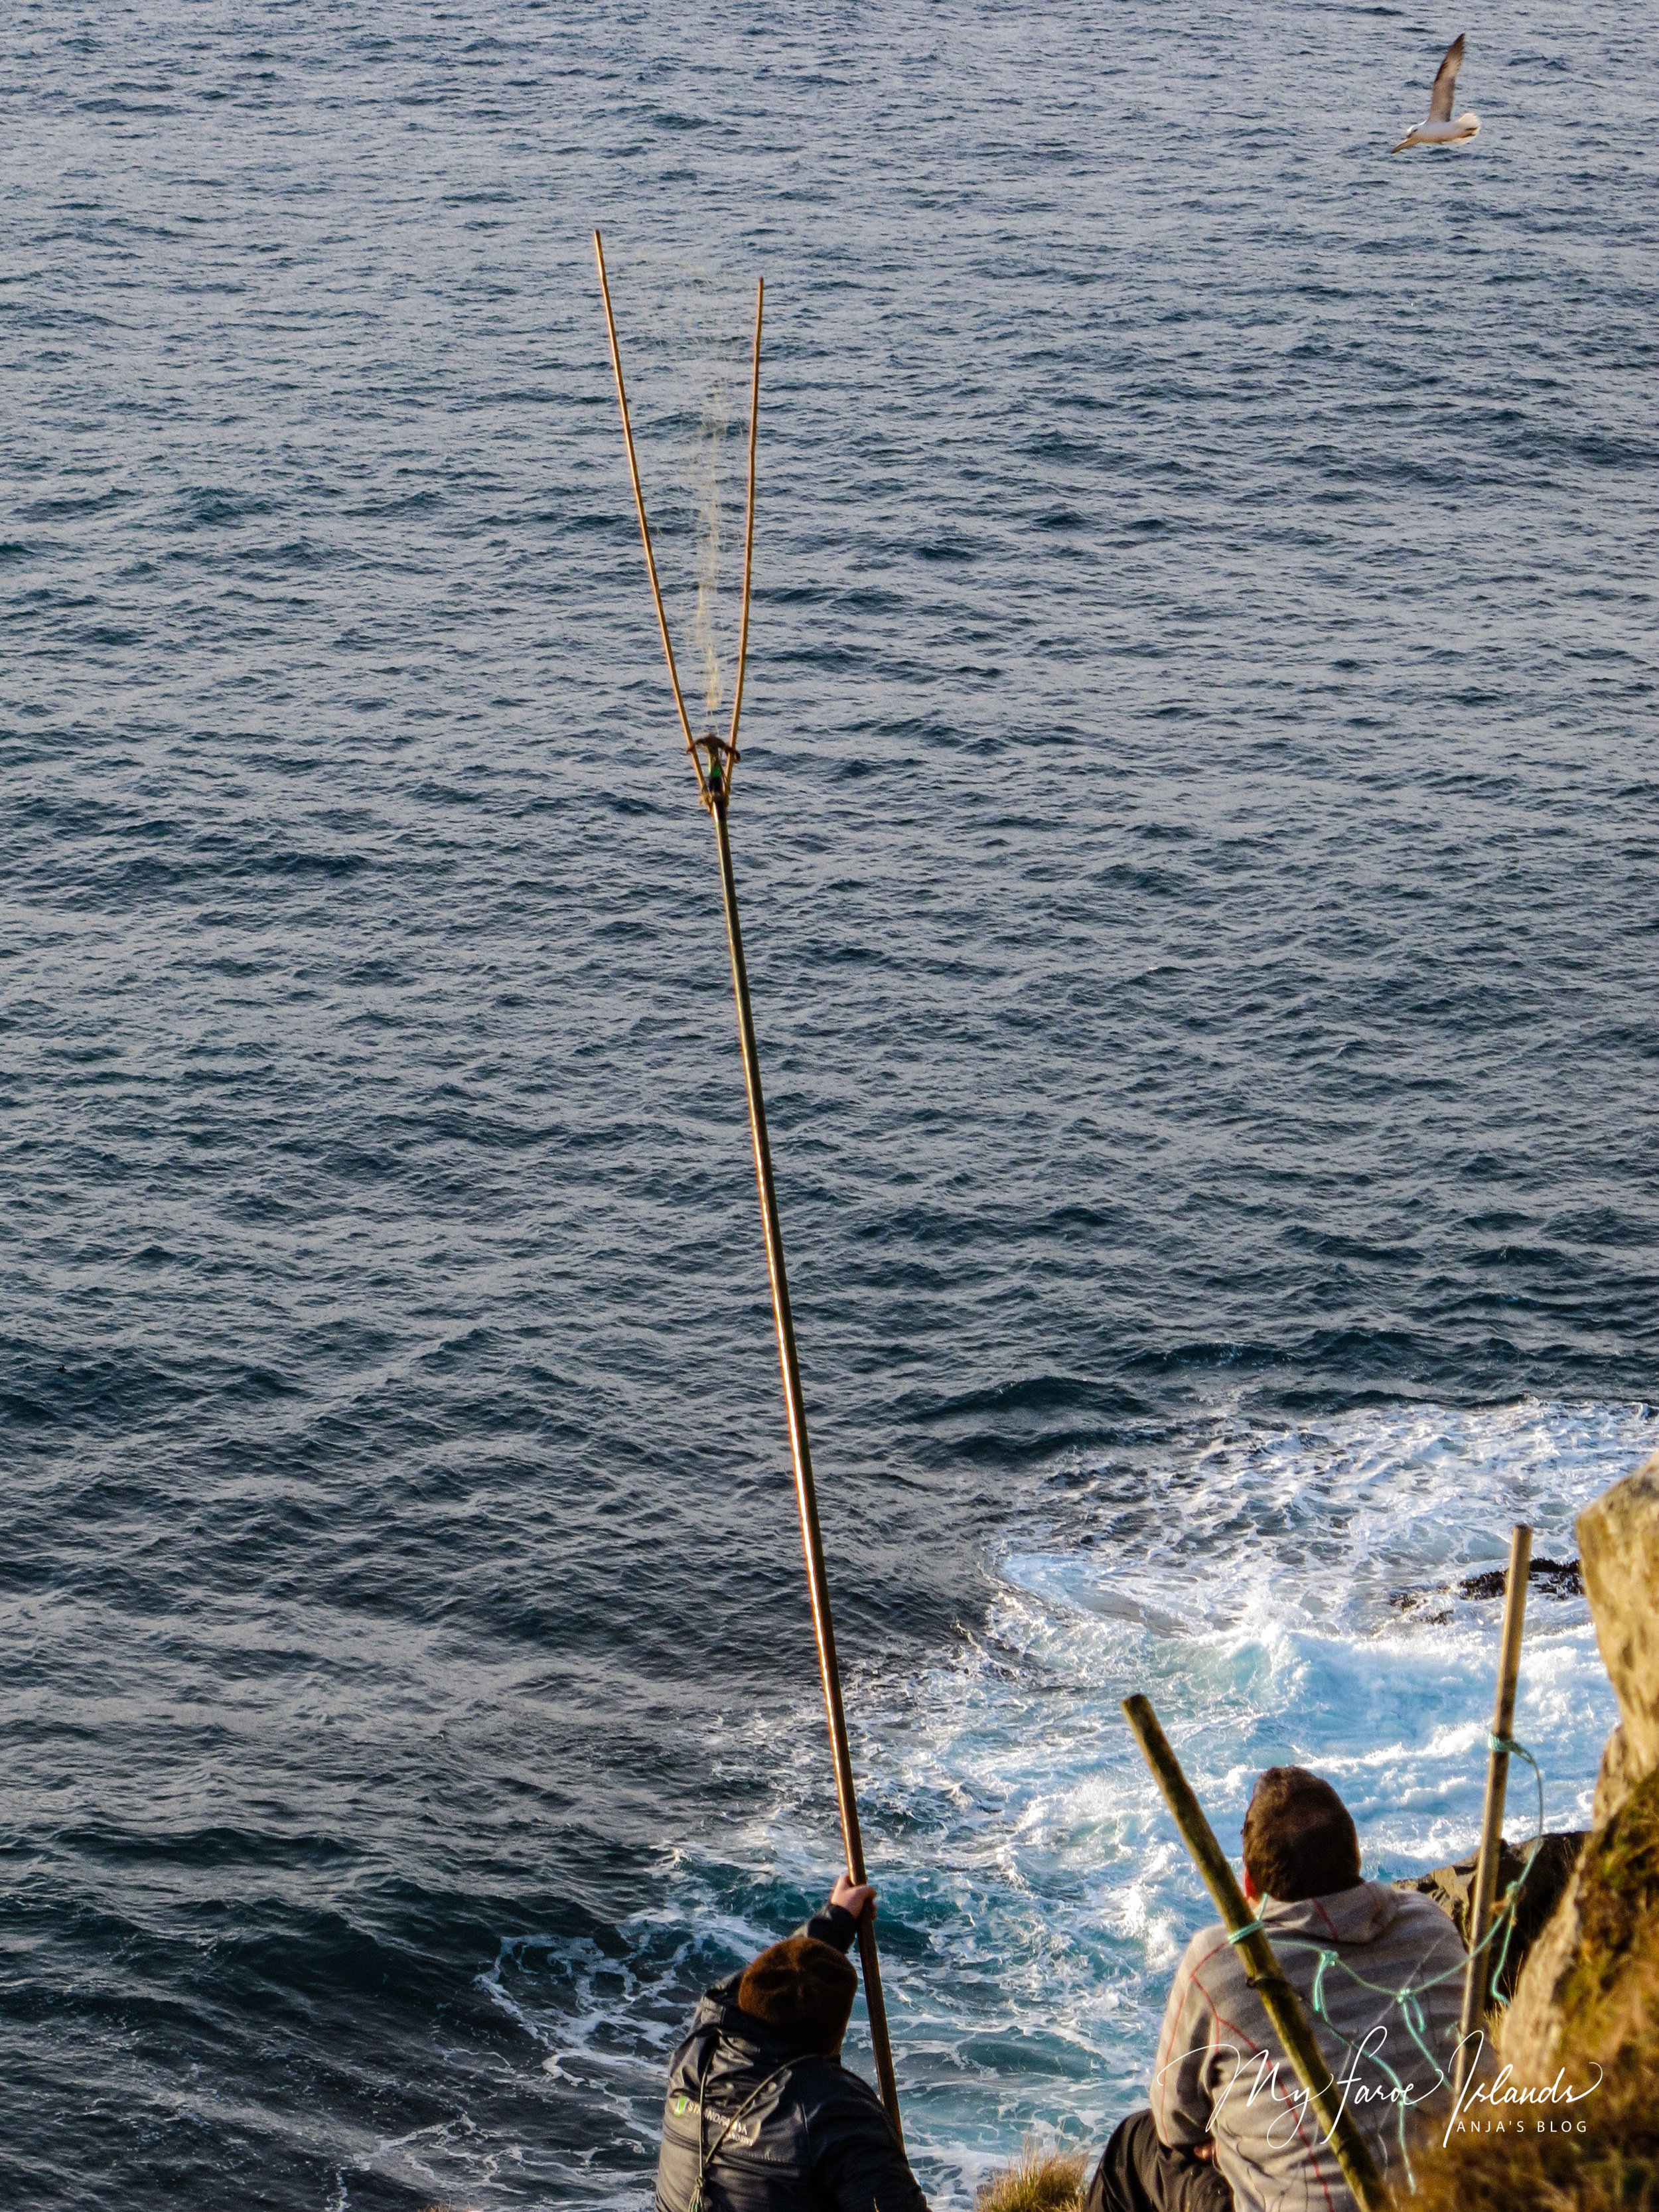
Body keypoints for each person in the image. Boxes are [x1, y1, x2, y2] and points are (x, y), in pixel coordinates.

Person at [1086, 1766, 1469, 2212]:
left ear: (1248, 1883)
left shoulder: (1222, 1962)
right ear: (1356, 1856)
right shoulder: (1431, 1925)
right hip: (1454, 2196)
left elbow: (1176, 2127)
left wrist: (1228, 2138)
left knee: (1138, 2145)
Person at [655, 1875, 928, 2212]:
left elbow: (732, 1993)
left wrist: (836, 1918)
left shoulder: (700, 2047)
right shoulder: (835, 2111)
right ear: (834, 2036)